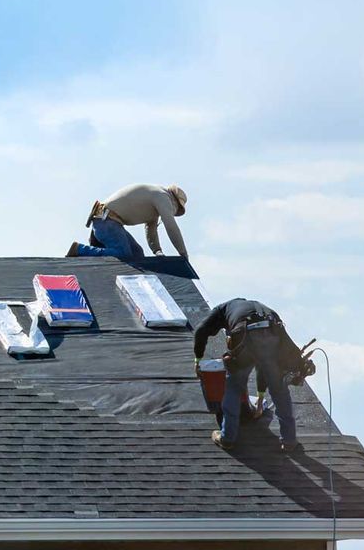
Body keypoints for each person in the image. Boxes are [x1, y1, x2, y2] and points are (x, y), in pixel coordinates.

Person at [193, 297, 302, 450]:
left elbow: (200, 331)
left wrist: (198, 360)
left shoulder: (221, 310)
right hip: (273, 333)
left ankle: (227, 438)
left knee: (234, 386)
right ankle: (289, 440)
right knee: (279, 389)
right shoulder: (262, 309)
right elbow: (263, 366)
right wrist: (260, 399)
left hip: (245, 336)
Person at [68, 184, 190, 260]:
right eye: (177, 209)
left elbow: (151, 230)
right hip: (106, 221)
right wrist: (183, 254)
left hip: (106, 221)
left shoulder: (155, 198)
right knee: (123, 254)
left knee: (137, 255)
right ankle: (80, 250)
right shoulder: (163, 196)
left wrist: (158, 251)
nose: (174, 212)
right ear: (174, 201)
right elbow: (171, 226)